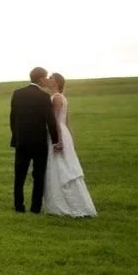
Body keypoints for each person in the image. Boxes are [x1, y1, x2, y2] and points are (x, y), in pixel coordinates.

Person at [43, 73, 97, 217]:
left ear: (56, 83)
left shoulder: (56, 98)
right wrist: (71, 140)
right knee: (63, 164)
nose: (48, 81)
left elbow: (55, 121)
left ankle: (63, 204)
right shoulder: (62, 97)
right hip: (64, 133)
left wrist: (58, 140)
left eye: (50, 79)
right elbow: (67, 122)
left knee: (59, 166)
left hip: (58, 133)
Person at [9, 67, 60, 213]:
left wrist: (16, 136)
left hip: (22, 141)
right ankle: (35, 207)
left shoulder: (17, 94)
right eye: (45, 77)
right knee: (38, 176)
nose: (46, 80)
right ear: (40, 79)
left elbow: (13, 118)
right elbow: (50, 121)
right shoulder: (43, 97)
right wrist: (56, 140)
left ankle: (19, 206)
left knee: (19, 175)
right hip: (39, 142)